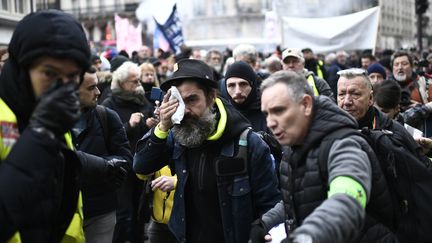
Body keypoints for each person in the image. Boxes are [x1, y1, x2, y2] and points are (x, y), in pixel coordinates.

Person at [133, 59, 281, 243]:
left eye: (192, 99)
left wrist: (262, 231)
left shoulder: (247, 143)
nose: (185, 110)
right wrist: (162, 126)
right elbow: (141, 165)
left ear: (211, 97)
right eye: (178, 101)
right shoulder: (178, 135)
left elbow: (270, 203)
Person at [252, 70, 374, 243]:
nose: (270, 122)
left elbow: (347, 200)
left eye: (279, 110)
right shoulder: (292, 146)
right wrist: (265, 222)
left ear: (306, 105)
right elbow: (296, 197)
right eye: (266, 113)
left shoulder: (343, 143)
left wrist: (305, 238)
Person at [0, 10, 90, 242]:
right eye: (49, 73)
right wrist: (41, 135)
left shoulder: (53, 117)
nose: (62, 86)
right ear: (22, 69)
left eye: (72, 76)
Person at [73, 67, 132, 243]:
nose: (98, 92)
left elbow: (125, 160)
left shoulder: (107, 116)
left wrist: (89, 163)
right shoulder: (51, 119)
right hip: (63, 212)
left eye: (97, 86)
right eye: (91, 88)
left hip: (100, 213)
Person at [101, 61, 156, 243]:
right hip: (122, 166)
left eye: (139, 80)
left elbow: (147, 122)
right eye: (134, 81)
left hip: (141, 163)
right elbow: (108, 137)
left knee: (140, 210)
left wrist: (149, 123)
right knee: (124, 213)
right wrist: (129, 125)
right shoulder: (109, 103)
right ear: (122, 83)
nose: (139, 84)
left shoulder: (141, 99)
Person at [221, 60, 270, 133]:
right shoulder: (222, 116)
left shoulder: (269, 113)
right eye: (231, 85)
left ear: (253, 85)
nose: (238, 91)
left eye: (243, 84)